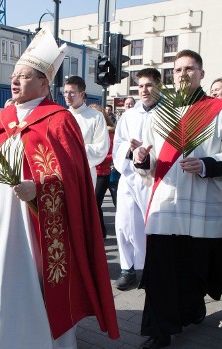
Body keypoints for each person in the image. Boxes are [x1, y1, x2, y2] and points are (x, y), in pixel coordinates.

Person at [0, 28, 119, 349]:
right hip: (3, 221)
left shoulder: (59, 119)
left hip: (40, 222)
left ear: (43, 83)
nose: (14, 81)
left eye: (23, 76)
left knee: (41, 280)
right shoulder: (0, 120)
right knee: (8, 280)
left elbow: (73, 176)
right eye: (13, 75)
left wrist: (39, 188)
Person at [133, 50, 222, 349]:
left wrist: (209, 164)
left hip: (202, 202)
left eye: (190, 69)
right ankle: (158, 332)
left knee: (193, 268)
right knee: (160, 271)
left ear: (200, 73)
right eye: (178, 69)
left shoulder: (221, 110)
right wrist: (142, 161)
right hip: (166, 204)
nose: (183, 74)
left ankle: (190, 310)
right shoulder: (161, 112)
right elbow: (153, 159)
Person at [113, 68, 161, 291]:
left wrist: (148, 153)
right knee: (124, 223)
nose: (144, 90)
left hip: (153, 178)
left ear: (158, 86)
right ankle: (127, 269)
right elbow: (118, 144)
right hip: (129, 176)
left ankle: (148, 268)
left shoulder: (167, 114)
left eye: (149, 85)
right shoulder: (129, 116)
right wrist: (130, 150)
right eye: (141, 86)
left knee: (148, 224)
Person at [64, 76, 110, 187]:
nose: (67, 96)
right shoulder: (61, 115)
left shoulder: (95, 116)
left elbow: (101, 148)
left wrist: (74, 150)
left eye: (72, 92)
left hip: (84, 174)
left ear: (81, 94)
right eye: (65, 92)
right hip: (63, 173)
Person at [90, 103, 114, 239]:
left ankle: (100, 233)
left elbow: (112, 155)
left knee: (95, 203)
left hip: (102, 174)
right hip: (89, 172)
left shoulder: (109, 132)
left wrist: (97, 157)